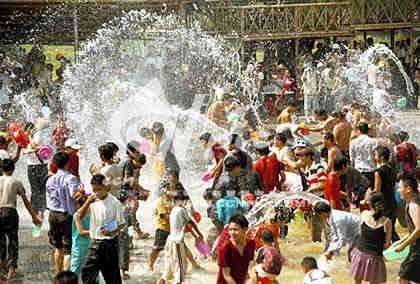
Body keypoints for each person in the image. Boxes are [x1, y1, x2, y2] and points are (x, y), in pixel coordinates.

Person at [0, 159, 42, 280]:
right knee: (13, 242)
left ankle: (1, 269)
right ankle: (11, 271)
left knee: (0, 242)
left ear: (1, 169)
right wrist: (34, 217)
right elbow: (26, 201)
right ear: (13, 169)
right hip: (10, 212)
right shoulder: (16, 182)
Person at [80, 174, 125, 284]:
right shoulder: (92, 201)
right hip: (95, 244)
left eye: (99, 189)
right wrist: (87, 202)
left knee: (112, 277)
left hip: (109, 244)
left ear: (106, 187)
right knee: (87, 273)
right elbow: (79, 216)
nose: (96, 193)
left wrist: (112, 231)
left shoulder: (114, 203)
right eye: (94, 190)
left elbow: (122, 223)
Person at [159, 191, 203, 284]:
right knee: (180, 269)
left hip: (170, 240)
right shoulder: (181, 210)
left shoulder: (173, 210)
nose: (184, 202)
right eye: (182, 200)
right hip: (177, 242)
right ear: (177, 201)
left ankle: (161, 281)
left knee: (168, 270)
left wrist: (195, 236)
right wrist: (198, 235)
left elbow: (185, 225)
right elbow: (190, 223)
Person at [46, 152, 80, 273]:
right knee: (68, 249)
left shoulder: (50, 180)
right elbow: (74, 195)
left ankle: (58, 274)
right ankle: (66, 278)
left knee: (57, 247)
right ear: (68, 163)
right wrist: (82, 193)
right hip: (65, 216)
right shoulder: (71, 178)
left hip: (52, 215)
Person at [350, 192, 392, 284]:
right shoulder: (387, 222)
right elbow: (386, 245)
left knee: (357, 281)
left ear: (369, 203)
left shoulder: (364, 214)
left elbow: (360, 234)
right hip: (375, 259)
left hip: (360, 255)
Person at [121, 141, 150, 239]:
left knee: (132, 210)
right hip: (125, 190)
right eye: (137, 151)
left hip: (130, 190)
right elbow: (128, 180)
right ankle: (136, 232)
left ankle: (135, 231)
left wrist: (140, 191)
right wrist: (141, 190)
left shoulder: (135, 162)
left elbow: (134, 181)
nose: (139, 152)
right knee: (132, 209)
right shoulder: (129, 162)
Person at [217, 214, 255, 284]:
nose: (232, 233)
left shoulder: (251, 244)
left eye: (235, 229)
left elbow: (250, 266)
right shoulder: (225, 248)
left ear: (245, 229)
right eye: (230, 229)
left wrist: (252, 279)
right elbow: (226, 275)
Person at [396, 176, 420, 284]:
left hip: (418, 249)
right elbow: (414, 229)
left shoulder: (414, 205)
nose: (398, 190)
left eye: (400, 187)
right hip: (416, 247)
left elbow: (419, 229)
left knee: (402, 277)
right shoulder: (414, 201)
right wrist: (402, 240)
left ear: (408, 189)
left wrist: (403, 245)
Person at [373, 145, 399, 241]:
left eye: (375, 155)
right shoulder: (392, 169)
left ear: (381, 157)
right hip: (392, 201)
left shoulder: (378, 172)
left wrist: (368, 196)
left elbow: (377, 191)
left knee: (386, 230)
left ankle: (399, 248)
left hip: (383, 204)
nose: (374, 157)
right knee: (391, 229)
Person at [148, 183, 172, 271]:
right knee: (157, 249)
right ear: (163, 191)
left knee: (180, 247)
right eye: (168, 189)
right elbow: (163, 215)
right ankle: (150, 265)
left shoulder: (172, 200)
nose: (171, 190)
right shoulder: (161, 202)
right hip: (162, 229)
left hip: (172, 228)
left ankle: (193, 263)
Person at [349, 122, 377, 188]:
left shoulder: (353, 142)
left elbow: (352, 159)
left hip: (358, 170)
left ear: (359, 130)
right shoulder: (373, 141)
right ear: (368, 130)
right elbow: (376, 157)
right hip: (371, 170)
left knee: (359, 194)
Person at [70, 195, 91, 278]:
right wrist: (94, 231)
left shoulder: (90, 214)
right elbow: (81, 232)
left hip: (88, 245)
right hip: (78, 247)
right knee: (75, 269)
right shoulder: (77, 215)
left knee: (90, 268)